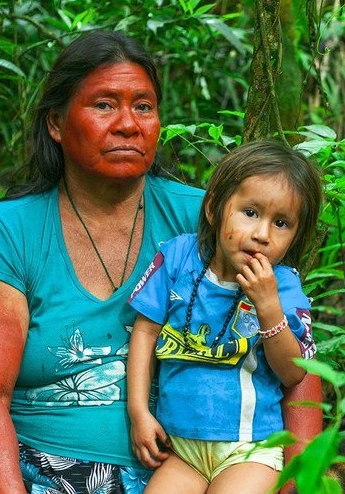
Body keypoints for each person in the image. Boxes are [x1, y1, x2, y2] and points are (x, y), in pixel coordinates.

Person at [0, 31, 322, 494]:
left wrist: (298, 480)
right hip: (51, 475)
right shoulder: (10, 233)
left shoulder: (217, 223)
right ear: (56, 123)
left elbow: (298, 366)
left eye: (143, 107)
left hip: (206, 468)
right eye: (104, 105)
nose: (129, 124)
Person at [126, 140, 323, 494]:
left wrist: (268, 307)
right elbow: (144, 332)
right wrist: (139, 412)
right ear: (215, 208)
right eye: (250, 213)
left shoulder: (284, 287)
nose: (262, 234)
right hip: (181, 451)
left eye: (281, 223)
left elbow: (294, 373)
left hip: (250, 449)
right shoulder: (177, 259)